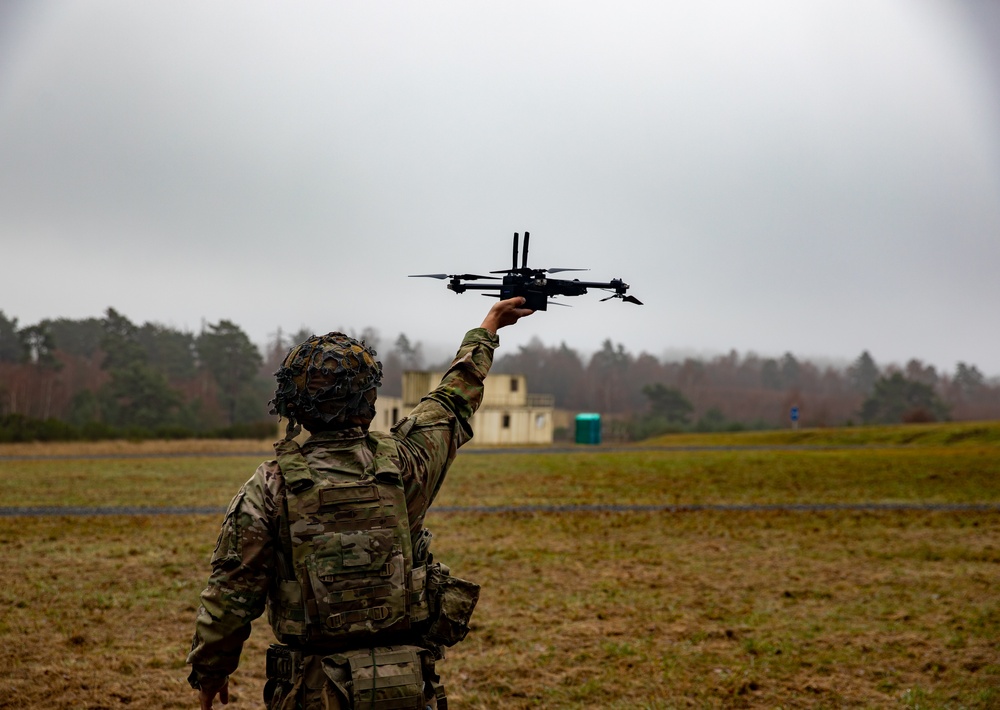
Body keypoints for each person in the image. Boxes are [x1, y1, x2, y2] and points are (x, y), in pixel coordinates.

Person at [187, 297, 533, 710]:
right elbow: (451, 401)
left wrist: (211, 672)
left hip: (313, 692)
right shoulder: (406, 462)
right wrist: (488, 328)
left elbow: (231, 593)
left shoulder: (270, 487)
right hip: (405, 689)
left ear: (293, 403)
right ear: (368, 398)